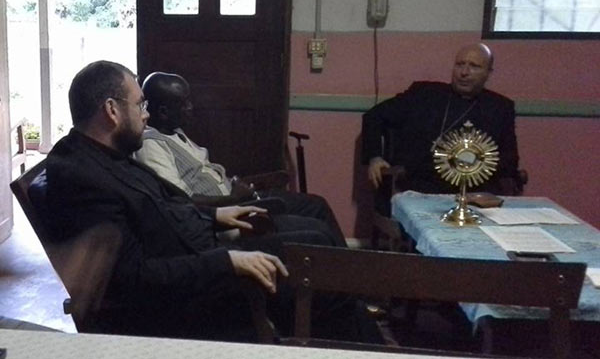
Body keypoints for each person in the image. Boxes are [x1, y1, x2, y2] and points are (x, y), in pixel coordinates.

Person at [45, 61, 372, 341]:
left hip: (201, 253)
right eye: (140, 105)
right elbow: (133, 280)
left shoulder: (106, 155)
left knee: (318, 247)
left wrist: (215, 216)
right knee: (318, 268)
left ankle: (354, 328)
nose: (146, 115)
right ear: (112, 111)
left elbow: (165, 205)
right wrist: (227, 262)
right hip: (193, 290)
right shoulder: (81, 178)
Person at [133, 72, 346, 247]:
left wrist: (236, 186)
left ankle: (351, 273)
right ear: (163, 112)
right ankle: (344, 278)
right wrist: (234, 197)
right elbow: (181, 201)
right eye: (184, 103)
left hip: (237, 199)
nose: (191, 107)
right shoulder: (151, 145)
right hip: (227, 218)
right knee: (319, 232)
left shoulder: (174, 131)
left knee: (317, 205)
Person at [362, 43, 520, 195]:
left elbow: (509, 160)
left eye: (474, 66)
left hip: (474, 191)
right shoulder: (423, 94)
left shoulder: (500, 108)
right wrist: (375, 157)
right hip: (420, 187)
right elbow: (374, 116)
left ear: (488, 73)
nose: (464, 72)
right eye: (460, 64)